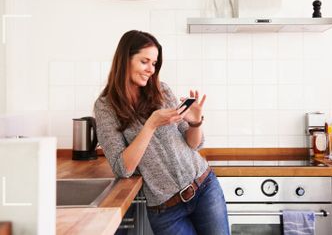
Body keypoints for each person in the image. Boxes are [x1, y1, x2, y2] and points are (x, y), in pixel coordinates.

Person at [94, 30, 230, 235]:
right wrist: (150, 125)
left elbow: (193, 144)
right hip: (165, 210)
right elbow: (123, 168)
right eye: (145, 61)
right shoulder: (106, 107)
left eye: (154, 63)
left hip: (204, 188)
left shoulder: (161, 90)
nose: (151, 69)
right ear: (125, 60)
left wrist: (195, 123)